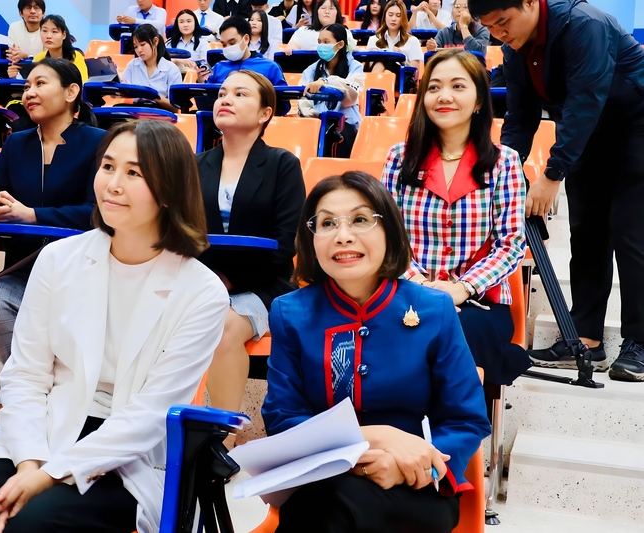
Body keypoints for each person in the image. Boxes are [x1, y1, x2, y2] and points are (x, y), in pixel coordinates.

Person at [0, 119, 230, 533]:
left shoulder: (202, 291)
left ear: (170, 189)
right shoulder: (59, 259)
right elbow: (25, 374)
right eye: (108, 167)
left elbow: (151, 414)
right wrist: (29, 462)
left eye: (134, 173)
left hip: (127, 452)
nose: (113, 184)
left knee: (33, 524)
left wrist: (47, 477)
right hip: (45, 425)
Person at [262, 171, 491, 532]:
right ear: (311, 239)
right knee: (325, 503)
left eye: (360, 220)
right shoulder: (290, 313)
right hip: (323, 477)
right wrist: (375, 439)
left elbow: (467, 420)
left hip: (415, 488)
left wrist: (407, 467)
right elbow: (282, 419)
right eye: (326, 223)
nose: (343, 235)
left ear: (390, 230)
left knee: (324, 511)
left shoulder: (433, 309)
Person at [469, 0, 644, 380]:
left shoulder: (584, 23)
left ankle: (640, 342)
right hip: (587, 135)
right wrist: (505, 172)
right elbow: (520, 117)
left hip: (636, 124)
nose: (499, 34)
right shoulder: (517, 50)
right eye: (491, 29)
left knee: (632, 234)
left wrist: (552, 174)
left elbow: (587, 97)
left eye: (504, 22)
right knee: (586, 234)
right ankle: (583, 339)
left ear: (531, 3)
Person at [0, 59, 105, 450]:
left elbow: (98, 210)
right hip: (28, 264)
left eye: (41, 83)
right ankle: (29, 398)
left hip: (83, 268)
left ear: (72, 92)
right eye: (26, 85)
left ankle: (13, 406)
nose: (29, 93)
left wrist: (32, 214)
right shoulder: (17, 142)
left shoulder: (98, 142)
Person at [381, 49, 529, 386]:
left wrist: (462, 288)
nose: (444, 96)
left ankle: (445, 435)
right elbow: (385, 236)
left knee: (455, 331)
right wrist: (419, 285)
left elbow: (511, 244)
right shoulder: (399, 158)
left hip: (479, 303)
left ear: (479, 100)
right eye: (433, 88)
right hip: (406, 293)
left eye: (458, 86)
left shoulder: (504, 162)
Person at [196, 70, 305, 443]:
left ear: (265, 113)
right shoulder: (198, 165)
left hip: (263, 284)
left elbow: (286, 244)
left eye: (240, 94)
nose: (226, 99)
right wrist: (211, 279)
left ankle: (222, 437)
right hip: (203, 283)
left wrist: (230, 281)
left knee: (224, 325)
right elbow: (185, 235)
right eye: (223, 92)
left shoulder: (281, 165)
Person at [300, 23, 364, 157]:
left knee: (334, 135)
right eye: (319, 42)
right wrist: (314, 115)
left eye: (326, 42)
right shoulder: (311, 70)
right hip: (316, 121)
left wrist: (326, 81)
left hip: (344, 123)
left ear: (340, 44)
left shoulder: (354, 67)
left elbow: (351, 94)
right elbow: (303, 98)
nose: (321, 46)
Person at [120, 24, 182, 112]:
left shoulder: (171, 69)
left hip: (160, 113)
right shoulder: (133, 65)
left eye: (142, 44)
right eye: (136, 47)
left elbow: (176, 108)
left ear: (155, 41)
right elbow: (118, 93)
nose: (139, 50)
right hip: (137, 111)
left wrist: (154, 96)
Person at [9, 15, 89, 82]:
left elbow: (81, 85)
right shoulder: (39, 58)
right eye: (44, 31)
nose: (48, 36)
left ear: (63, 35)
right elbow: (32, 85)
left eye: (54, 32)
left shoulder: (76, 57)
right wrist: (14, 77)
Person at [366, 0, 424, 73]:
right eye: (390, 15)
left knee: (385, 64)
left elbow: (415, 72)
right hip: (378, 73)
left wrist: (402, 59)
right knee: (382, 65)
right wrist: (372, 56)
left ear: (403, 18)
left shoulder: (412, 40)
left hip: (402, 78)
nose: (393, 19)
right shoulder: (373, 39)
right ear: (385, 16)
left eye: (398, 16)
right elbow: (367, 68)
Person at [285, 0, 356, 53]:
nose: (327, 11)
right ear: (317, 12)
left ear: (337, 13)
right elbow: (292, 44)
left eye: (331, 8)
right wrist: (291, 48)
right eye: (323, 8)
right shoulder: (303, 31)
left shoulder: (345, 32)